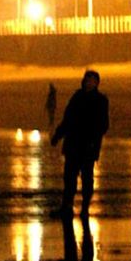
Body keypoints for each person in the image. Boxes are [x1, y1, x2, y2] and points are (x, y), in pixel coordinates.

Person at [50, 70, 110, 222]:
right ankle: (67, 207)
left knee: (87, 178)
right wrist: (58, 135)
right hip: (73, 144)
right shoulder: (77, 97)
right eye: (87, 79)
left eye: (91, 80)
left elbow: (103, 125)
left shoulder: (100, 100)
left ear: (96, 83)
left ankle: (84, 208)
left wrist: (93, 140)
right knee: (69, 177)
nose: (88, 82)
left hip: (88, 147)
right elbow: (67, 118)